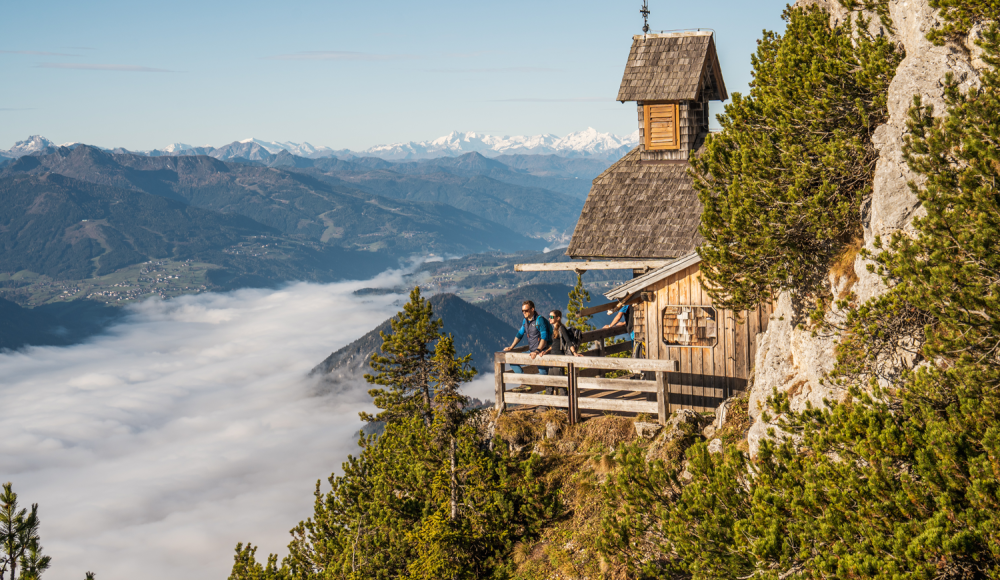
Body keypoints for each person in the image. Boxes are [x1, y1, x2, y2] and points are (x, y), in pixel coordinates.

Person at [537, 309, 582, 396]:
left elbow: (568, 341)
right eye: (549, 316)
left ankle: (564, 406)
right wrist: (545, 352)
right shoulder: (554, 329)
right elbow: (554, 345)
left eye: (551, 317)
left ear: (558, 318)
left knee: (561, 384)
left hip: (558, 359)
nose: (549, 319)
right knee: (550, 384)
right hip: (552, 359)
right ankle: (548, 405)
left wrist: (574, 353)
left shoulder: (561, 328)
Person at [503, 300, 552, 376]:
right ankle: (524, 382)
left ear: (532, 309)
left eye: (526, 310)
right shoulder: (525, 321)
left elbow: (544, 337)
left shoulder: (540, 320)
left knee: (544, 375)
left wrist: (537, 351)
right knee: (512, 361)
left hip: (541, 352)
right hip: (531, 351)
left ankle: (550, 387)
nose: (524, 312)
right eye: (522, 311)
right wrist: (511, 347)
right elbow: (520, 334)